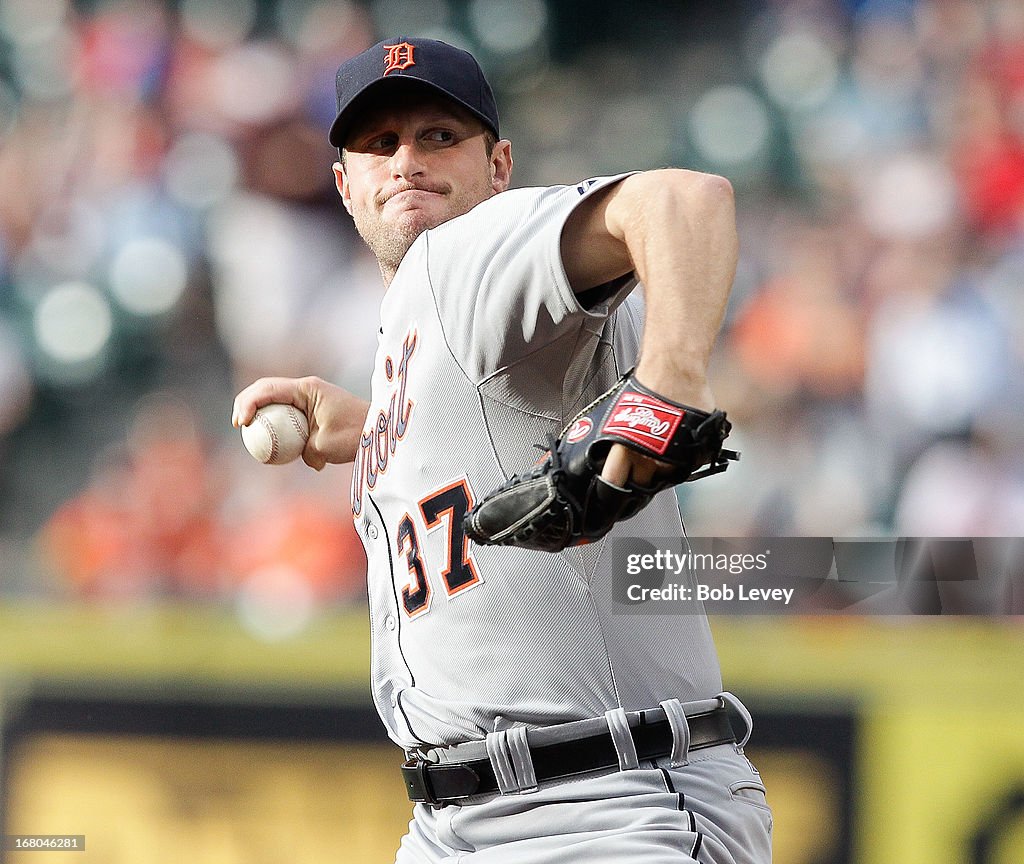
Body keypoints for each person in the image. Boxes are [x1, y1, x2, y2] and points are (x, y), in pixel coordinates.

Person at [233, 36, 772, 864]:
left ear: (499, 166)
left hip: (607, 806)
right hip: (457, 824)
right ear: (344, 184)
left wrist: (668, 386)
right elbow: (494, 394)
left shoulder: (466, 255)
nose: (407, 161)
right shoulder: (420, 327)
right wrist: (377, 424)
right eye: (379, 144)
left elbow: (686, 202)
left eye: (439, 137)